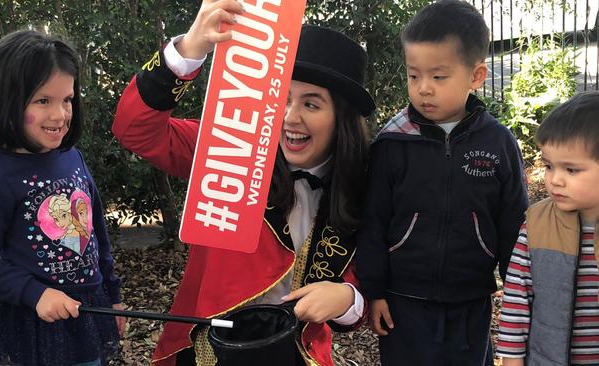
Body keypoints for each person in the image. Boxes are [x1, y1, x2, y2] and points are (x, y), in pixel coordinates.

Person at [111, 1, 374, 365]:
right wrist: (188, 50)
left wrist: (347, 298)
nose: (290, 118)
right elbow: (135, 130)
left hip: (297, 353)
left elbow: (366, 293)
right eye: (282, 99)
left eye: (311, 105)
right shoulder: (231, 147)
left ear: (341, 118)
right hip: (207, 350)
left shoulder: (366, 185)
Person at [355, 1, 529, 365]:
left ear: (476, 75)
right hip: (403, 301)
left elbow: (514, 222)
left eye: (438, 76)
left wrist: (521, 295)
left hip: (472, 301)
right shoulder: (393, 143)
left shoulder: (498, 144)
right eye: (413, 75)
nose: (423, 89)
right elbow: (373, 220)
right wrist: (375, 291)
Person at [0, 29, 125, 366]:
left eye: (67, 99)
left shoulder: (72, 156)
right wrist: (36, 293)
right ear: (7, 100)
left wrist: (113, 295)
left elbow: (95, 233)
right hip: (33, 326)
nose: (60, 115)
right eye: (43, 101)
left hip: (89, 312)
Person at [497, 91, 599, 365]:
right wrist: (512, 360)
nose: (555, 180)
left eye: (571, 170)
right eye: (549, 166)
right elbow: (516, 304)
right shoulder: (536, 225)